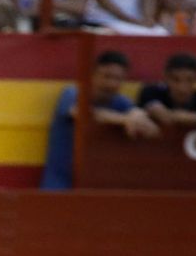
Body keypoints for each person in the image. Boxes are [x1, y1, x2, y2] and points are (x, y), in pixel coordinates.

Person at [40, 50, 160, 190]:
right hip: (60, 185)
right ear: (92, 75)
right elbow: (84, 113)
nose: (111, 84)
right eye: (106, 76)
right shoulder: (72, 93)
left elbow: (142, 120)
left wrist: (137, 118)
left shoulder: (121, 102)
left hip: (97, 186)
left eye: (117, 79)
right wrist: (125, 119)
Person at [138, 52, 196, 140]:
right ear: (166, 77)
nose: (182, 88)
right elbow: (165, 116)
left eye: (190, 80)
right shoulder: (151, 91)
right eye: (176, 80)